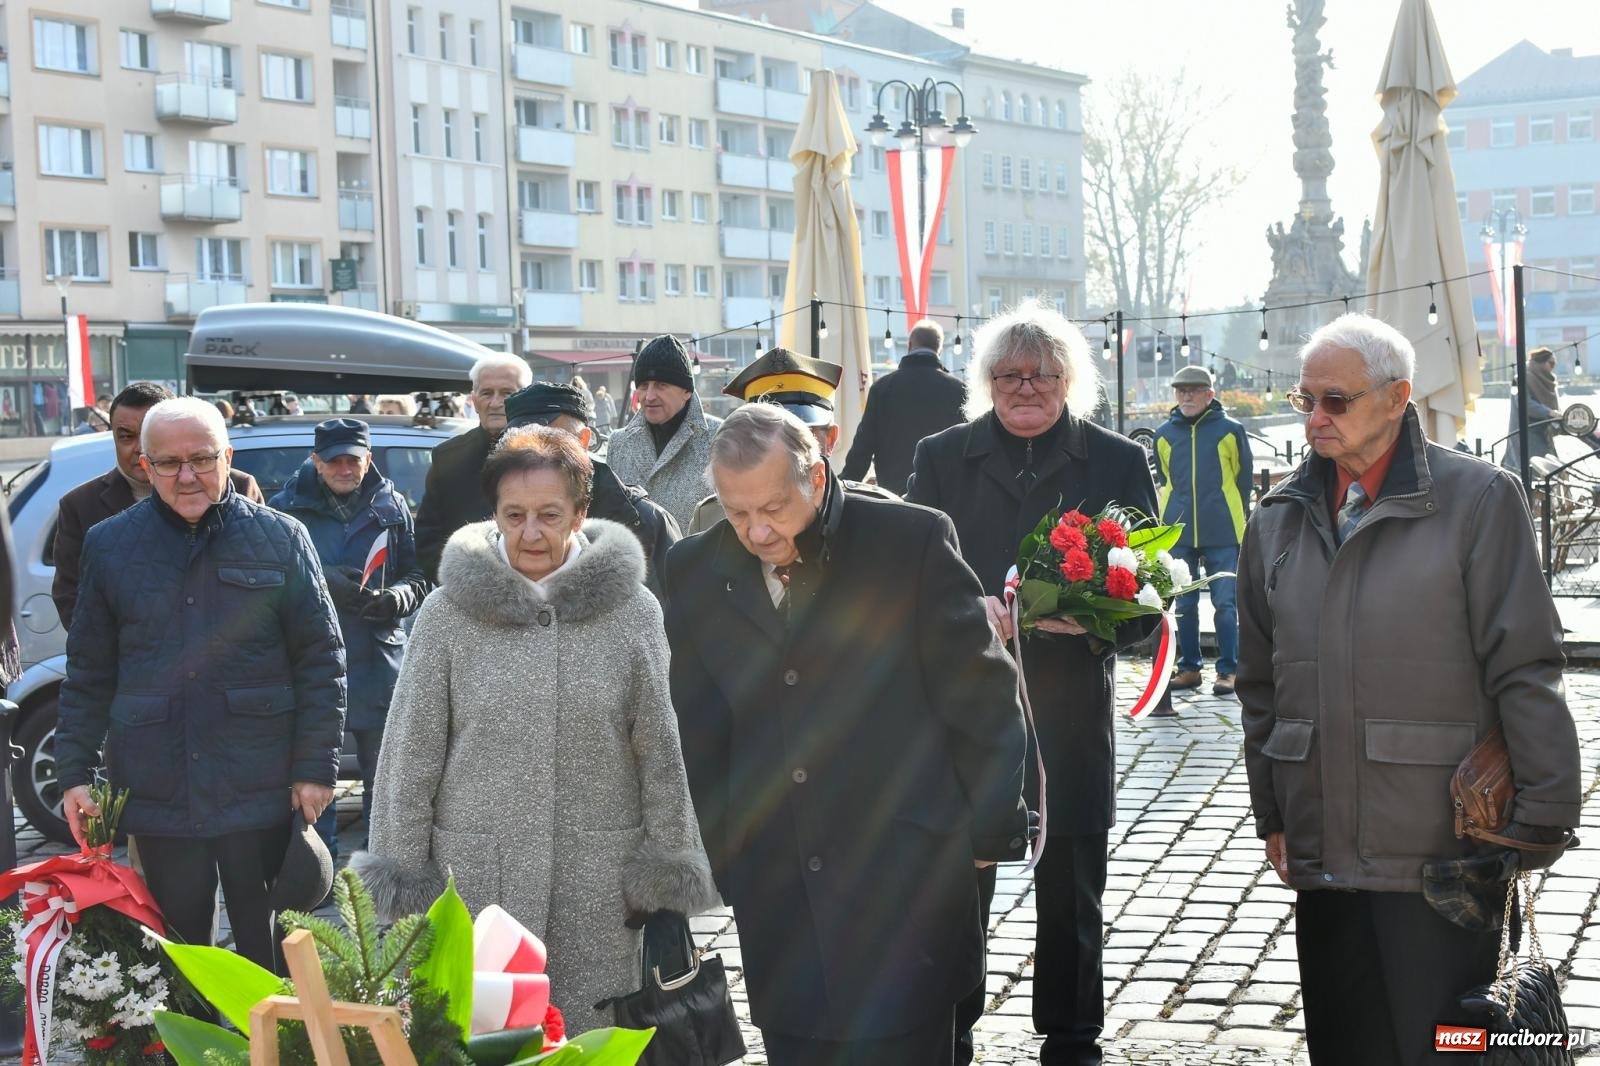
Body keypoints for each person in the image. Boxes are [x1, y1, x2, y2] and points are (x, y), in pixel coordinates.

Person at [1238, 314, 1580, 1066]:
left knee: (1447, 1047)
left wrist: (1546, 810)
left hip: (1442, 842)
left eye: (1336, 400)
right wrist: (1274, 810)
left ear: (1397, 398)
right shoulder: (1277, 518)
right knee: (1345, 1044)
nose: (1315, 418)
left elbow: (1526, 661)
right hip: (1322, 845)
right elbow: (1259, 681)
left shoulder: (1479, 499)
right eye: (1304, 400)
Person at [665, 403, 1030, 1066]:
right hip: (780, 893)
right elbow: (701, 727)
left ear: (815, 476)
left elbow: (983, 697)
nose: (757, 531)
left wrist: (985, 836)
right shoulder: (693, 568)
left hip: (906, 876)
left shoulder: (909, 540)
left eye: (772, 507)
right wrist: (730, 855)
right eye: (737, 512)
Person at [354, 427, 714, 1033]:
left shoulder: (632, 612)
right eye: (513, 516)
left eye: (549, 515)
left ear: (580, 513)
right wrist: (403, 878)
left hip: (597, 884)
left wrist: (665, 869)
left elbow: (661, 751)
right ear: (492, 515)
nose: (530, 533)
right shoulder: (448, 614)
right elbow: (409, 755)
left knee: (589, 1041)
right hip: (474, 877)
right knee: (484, 1039)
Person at [905, 301, 1159, 1066]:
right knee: (954, 890)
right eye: (1010, 374)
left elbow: (1148, 603)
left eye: (1043, 374)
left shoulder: (1115, 461)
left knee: (1073, 893)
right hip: (962, 715)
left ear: (1069, 381)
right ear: (985, 382)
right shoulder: (942, 457)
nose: (1026, 387)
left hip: (1069, 715)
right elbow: (902, 584)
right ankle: (948, 1035)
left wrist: (1092, 622)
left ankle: (1074, 1041)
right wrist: (966, 614)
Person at [54, 397, 346, 972]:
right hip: (158, 786)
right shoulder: (109, 544)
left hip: (260, 785)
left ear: (228, 457)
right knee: (180, 957)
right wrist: (74, 774)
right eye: (168, 462)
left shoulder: (282, 537)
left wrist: (316, 768)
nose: (187, 476)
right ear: (145, 465)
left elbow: (321, 659)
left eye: (202, 459)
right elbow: (89, 670)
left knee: (272, 953)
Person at [268, 418, 428, 859]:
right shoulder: (285, 508)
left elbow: (418, 574)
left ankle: (380, 875)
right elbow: (266, 585)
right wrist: (322, 580)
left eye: (353, 460)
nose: (344, 468)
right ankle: (318, 877)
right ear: (316, 462)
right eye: (334, 460)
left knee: (387, 785)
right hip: (313, 663)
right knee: (314, 782)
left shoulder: (391, 504)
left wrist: (396, 598)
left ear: (368, 459)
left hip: (379, 660)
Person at [53, 382, 264, 630]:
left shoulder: (238, 487)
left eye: (150, 435)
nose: (139, 447)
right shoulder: (80, 506)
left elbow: (265, 581)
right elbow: (73, 603)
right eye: (127, 436)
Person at [502, 382, 681, 601]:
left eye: (550, 442)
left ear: (583, 440)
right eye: (520, 446)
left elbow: (674, 614)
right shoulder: (488, 522)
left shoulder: (646, 522)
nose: (535, 459)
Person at [688, 346, 896, 533]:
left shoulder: (881, 516)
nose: (784, 449)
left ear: (830, 439)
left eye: (803, 435)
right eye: (764, 438)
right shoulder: (710, 519)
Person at [1153, 364, 1253, 697]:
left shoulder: (1231, 431)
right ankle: (1189, 668)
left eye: (1194, 391)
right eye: (1181, 391)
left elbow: (1242, 479)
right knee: (1184, 604)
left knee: (1225, 603)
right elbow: (1166, 480)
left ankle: (1228, 670)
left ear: (1210, 395)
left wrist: (1236, 516)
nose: (1186, 396)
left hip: (1222, 530)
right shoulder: (1163, 435)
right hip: (1178, 531)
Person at [414, 353, 532, 582]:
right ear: (474, 400)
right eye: (487, 393)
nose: (495, 403)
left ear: (525, 397)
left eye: (507, 393)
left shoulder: (548, 455)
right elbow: (428, 540)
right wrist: (462, 583)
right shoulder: (447, 458)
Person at [606, 334, 722, 530]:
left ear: (686, 391)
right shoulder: (618, 443)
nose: (649, 396)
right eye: (643, 386)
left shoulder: (719, 438)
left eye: (661, 385)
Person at [841, 318, 966, 494]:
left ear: (909, 345)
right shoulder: (959, 390)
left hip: (894, 495)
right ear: (939, 349)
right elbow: (967, 447)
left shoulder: (882, 388)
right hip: (944, 495)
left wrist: (843, 486)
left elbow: (863, 447)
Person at [1502, 345, 1560, 471]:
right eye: (1551, 363)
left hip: (1543, 432)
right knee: (1529, 469)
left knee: (1549, 469)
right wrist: (1549, 412)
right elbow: (1525, 403)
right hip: (1525, 433)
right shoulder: (1522, 379)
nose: (1552, 367)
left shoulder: (1547, 381)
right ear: (1541, 363)